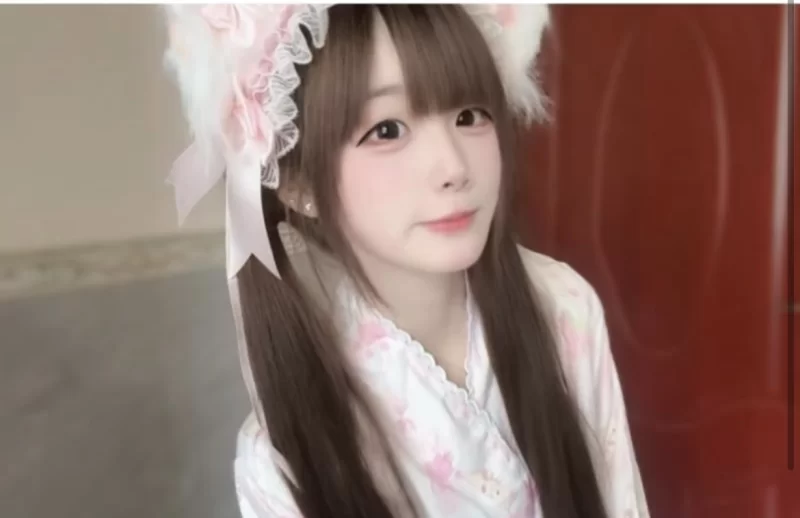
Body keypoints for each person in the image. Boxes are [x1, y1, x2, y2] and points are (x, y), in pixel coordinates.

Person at [162, 4, 650, 517]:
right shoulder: (282, 462)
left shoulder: (563, 307)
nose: (454, 167)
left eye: (469, 115)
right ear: (299, 184)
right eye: (387, 130)